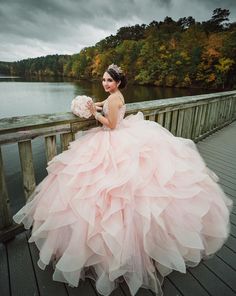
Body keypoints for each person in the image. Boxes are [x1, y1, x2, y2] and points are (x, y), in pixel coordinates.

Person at [13, 64, 232, 296]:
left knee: (117, 192)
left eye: (109, 80)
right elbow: (105, 105)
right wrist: (89, 105)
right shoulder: (112, 97)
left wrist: (96, 115)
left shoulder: (115, 99)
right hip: (115, 137)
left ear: (117, 83)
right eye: (104, 79)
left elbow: (113, 124)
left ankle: (123, 251)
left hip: (115, 139)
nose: (105, 83)